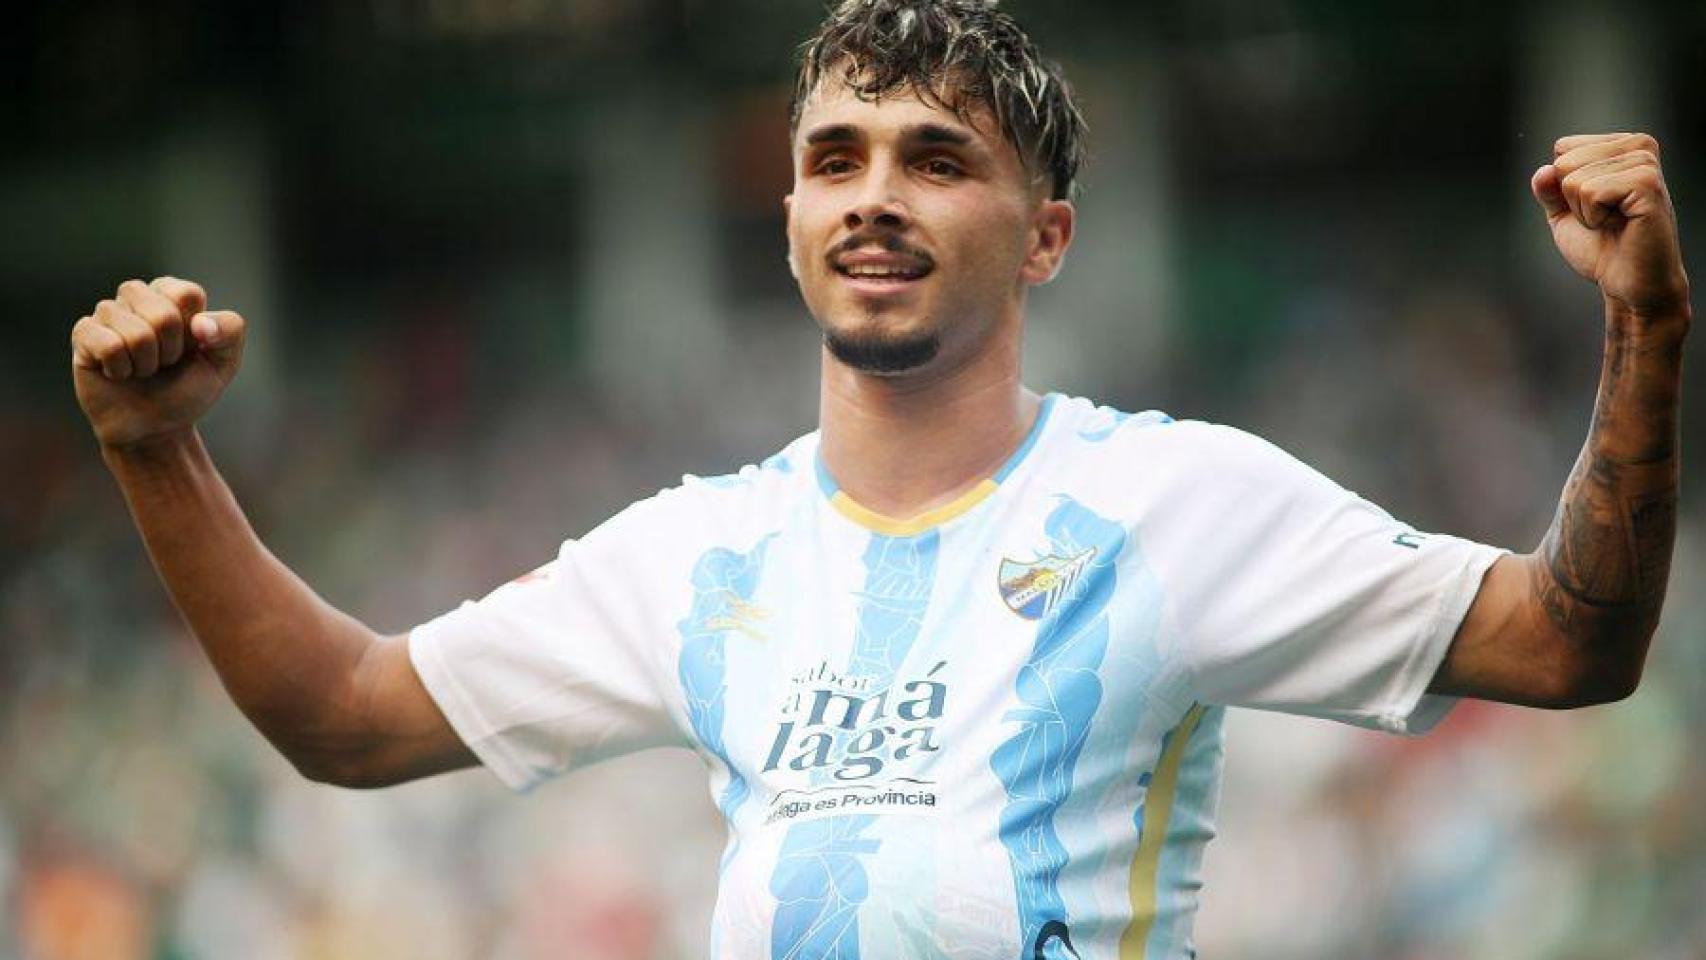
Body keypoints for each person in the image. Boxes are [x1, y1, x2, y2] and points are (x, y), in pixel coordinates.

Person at [68, 1, 1690, 956]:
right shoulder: (696, 554)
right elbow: (347, 718)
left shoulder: (1176, 503)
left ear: (1044, 236)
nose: (872, 196)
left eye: (937, 159)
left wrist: (1644, 328)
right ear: (787, 222)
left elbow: (1568, 646)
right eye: (832, 159)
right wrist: (154, 452)